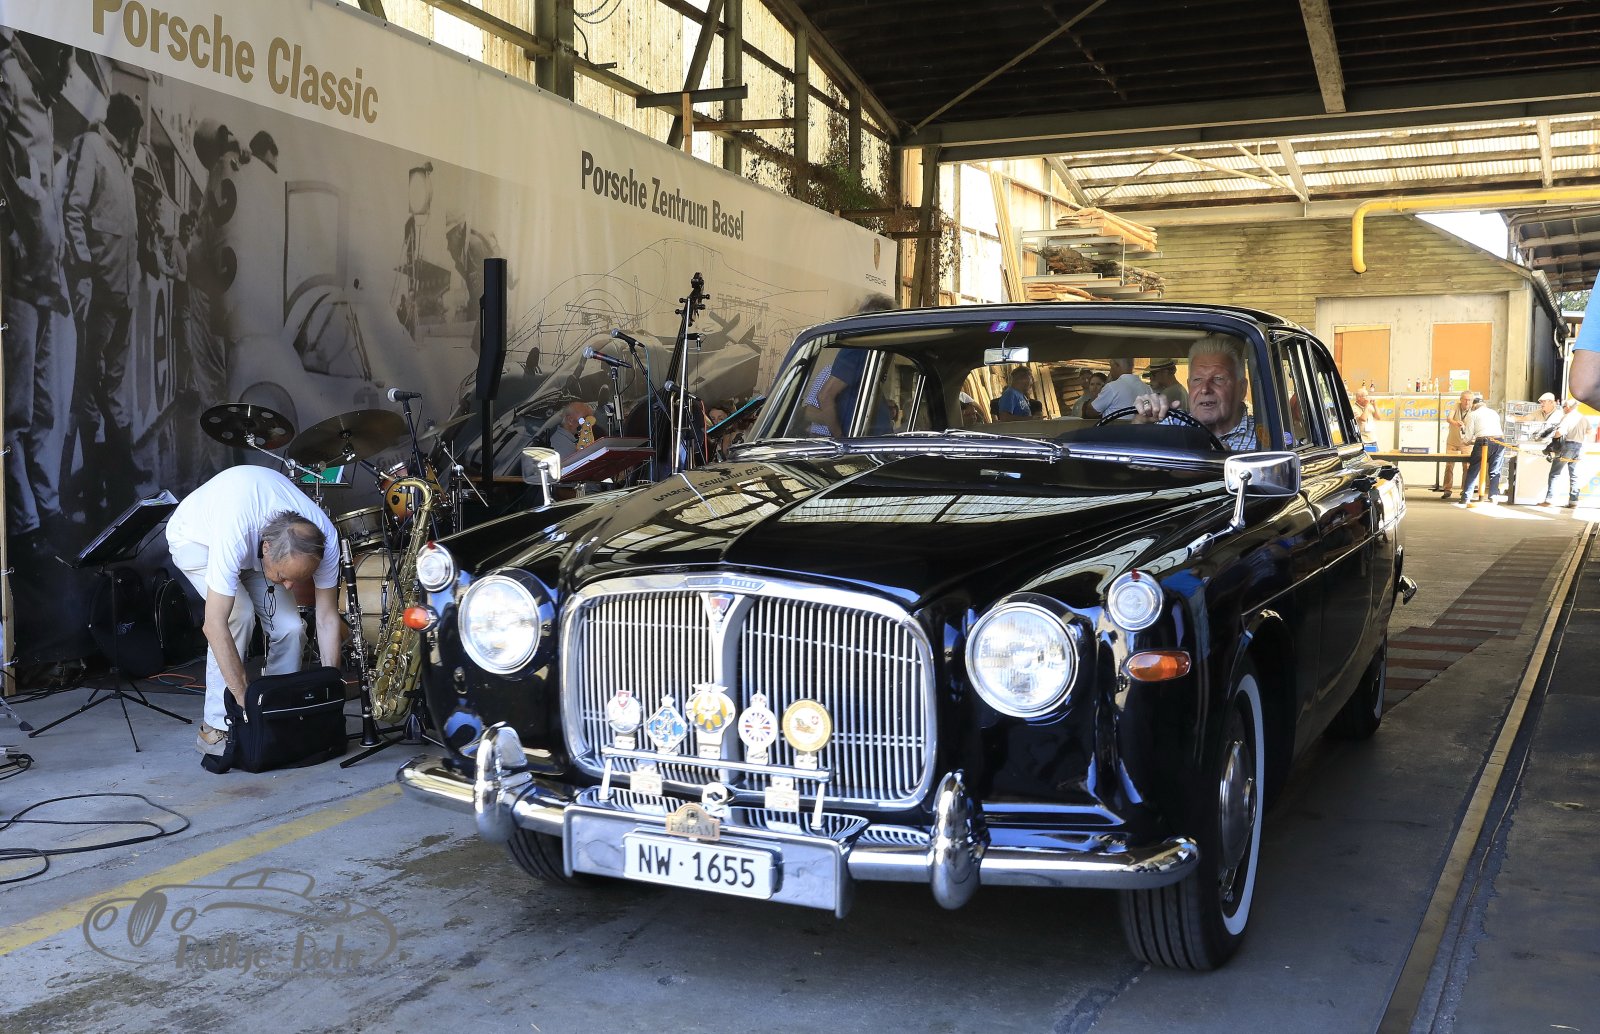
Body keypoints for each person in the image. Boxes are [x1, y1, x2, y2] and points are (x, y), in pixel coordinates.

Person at [166, 465, 343, 758]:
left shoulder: (326, 539)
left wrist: (330, 688)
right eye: (284, 577)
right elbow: (214, 624)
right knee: (239, 614)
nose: (289, 586)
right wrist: (244, 704)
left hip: (254, 549)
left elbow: (326, 617)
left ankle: (278, 709)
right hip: (198, 541)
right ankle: (216, 726)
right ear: (266, 548)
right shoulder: (234, 533)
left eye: (297, 579)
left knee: (291, 627)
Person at [1, 30, 75, 552]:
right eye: (65, 59)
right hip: (20, 277)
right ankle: (24, 525)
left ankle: (46, 508)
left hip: (46, 278)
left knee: (48, 406)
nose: (68, 72)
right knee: (17, 410)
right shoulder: (9, 77)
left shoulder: (40, 97)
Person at [62, 91, 147, 520]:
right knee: (89, 389)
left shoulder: (121, 162)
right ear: (128, 130)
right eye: (136, 136)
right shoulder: (93, 148)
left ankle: (118, 469)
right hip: (100, 294)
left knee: (113, 387)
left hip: (122, 295)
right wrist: (86, 271)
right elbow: (73, 211)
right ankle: (93, 479)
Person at [1130, 334, 1260, 449]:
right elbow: (1133, 461)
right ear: (1189, 386)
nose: (1205, 389)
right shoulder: (1173, 424)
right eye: (1197, 380)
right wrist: (1140, 424)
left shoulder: (1264, 438)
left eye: (1218, 379)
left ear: (1242, 389)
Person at [1456, 393, 1505, 506]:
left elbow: (1468, 437)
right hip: (1499, 442)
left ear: (1474, 406)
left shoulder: (1472, 415)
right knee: (1495, 471)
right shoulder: (1494, 413)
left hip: (1483, 442)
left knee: (1473, 469)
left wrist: (1464, 441)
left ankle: (1466, 497)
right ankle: (1493, 496)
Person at [1542, 397, 1588, 507]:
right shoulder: (1583, 418)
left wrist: (1552, 437)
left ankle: (1549, 500)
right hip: (1579, 448)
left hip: (1567, 447)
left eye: (1563, 407)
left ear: (1568, 407)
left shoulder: (1567, 417)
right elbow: (1590, 431)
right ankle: (1573, 501)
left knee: (1555, 473)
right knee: (1574, 475)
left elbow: (1559, 432)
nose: (1563, 409)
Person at [1442, 389, 1472, 496]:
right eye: (1465, 399)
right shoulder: (1455, 406)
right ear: (1461, 400)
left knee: (1467, 467)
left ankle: (1465, 490)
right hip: (1452, 441)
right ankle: (1447, 489)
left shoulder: (1473, 410)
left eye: (1469, 400)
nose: (1467, 402)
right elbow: (1449, 418)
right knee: (1449, 465)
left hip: (1466, 443)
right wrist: (1455, 423)